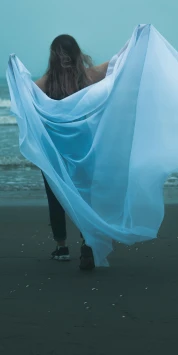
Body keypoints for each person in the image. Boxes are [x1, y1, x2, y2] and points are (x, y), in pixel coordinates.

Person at [33, 34, 109, 271]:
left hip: (57, 148)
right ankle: (86, 240)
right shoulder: (86, 76)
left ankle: (63, 246)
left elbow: (25, 96)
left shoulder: (45, 83)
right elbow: (114, 65)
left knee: (57, 195)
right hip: (78, 145)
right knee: (83, 194)